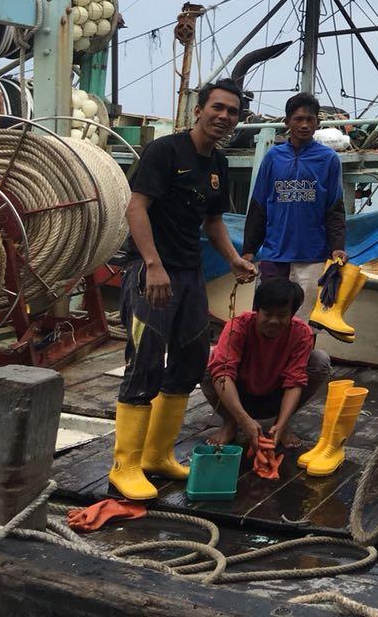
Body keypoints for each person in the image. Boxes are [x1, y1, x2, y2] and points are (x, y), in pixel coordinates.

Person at [109, 79, 257, 501]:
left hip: (190, 274)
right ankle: (126, 465)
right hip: (151, 271)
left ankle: (156, 455)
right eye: (218, 107)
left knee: (192, 360)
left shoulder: (218, 165)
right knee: (146, 363)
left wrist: (233, 259)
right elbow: (135, 207)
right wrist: (153, 265)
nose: (224, 116)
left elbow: (212, 223)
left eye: (232, 111)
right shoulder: (165, 151)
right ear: (199, 109)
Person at [242, 92, 347, 320]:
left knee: (304, 323)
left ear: (318, 122)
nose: (305, 125)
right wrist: (249, 250)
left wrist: (337, 246)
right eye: (298, 119)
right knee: (266, 318)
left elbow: (335, 209)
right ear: (287, 122)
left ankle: (301, 357)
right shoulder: (272, 157)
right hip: (274, 254)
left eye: (310, 119)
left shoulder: (328, 159)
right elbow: (259, 205)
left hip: (312, 257)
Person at [202, 277, 331, 452]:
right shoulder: (238, 326)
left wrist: (282, 422)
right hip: (237, 395)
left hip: (275, 395)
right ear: (257, 310)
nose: (273, 321)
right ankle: (230, 422)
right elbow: (222, 374)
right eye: (267, 314)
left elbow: (295, 381)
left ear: (292, 315)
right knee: (206, 358)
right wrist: (242, 418)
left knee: (320, 360)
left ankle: (281, 425)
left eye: (282, 315)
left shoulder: (301, 334)